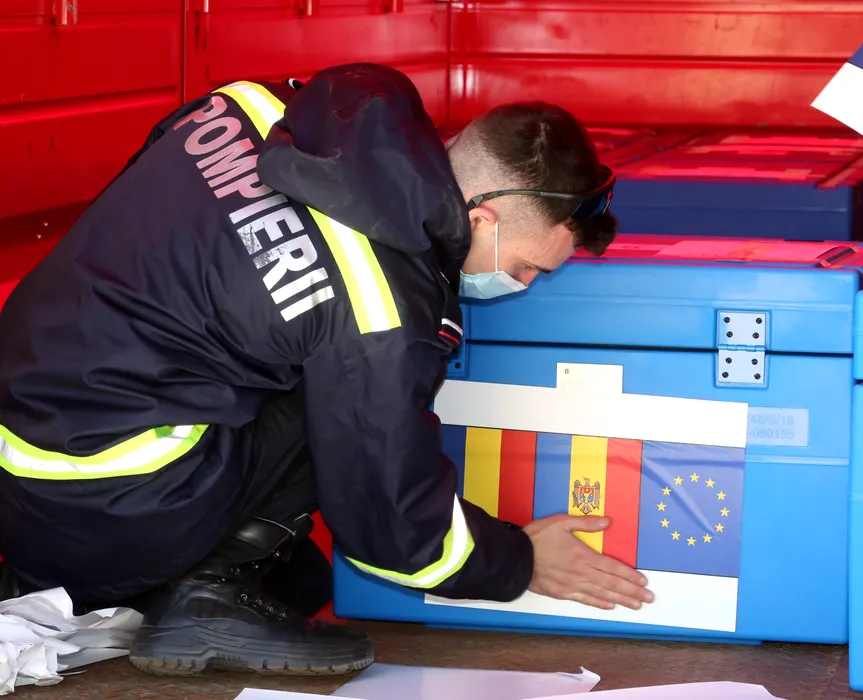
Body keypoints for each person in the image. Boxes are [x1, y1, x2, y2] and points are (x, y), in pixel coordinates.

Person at [0, 63, 653, 677]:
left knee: (303, 572)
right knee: (343, 399)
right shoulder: (378, 303)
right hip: (104, 501)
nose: (523, 284)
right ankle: (205, 600)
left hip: (24, 462)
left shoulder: (253, 107)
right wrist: (522, 560)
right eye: (526, 267)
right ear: (481, 218)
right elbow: (393, 524)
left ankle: (178, 569)